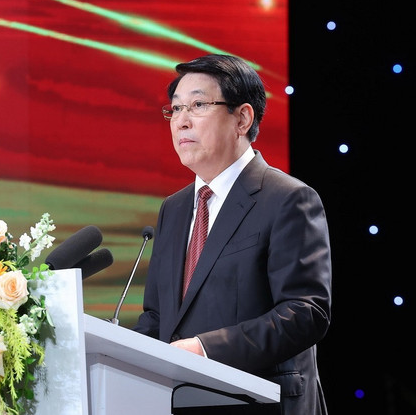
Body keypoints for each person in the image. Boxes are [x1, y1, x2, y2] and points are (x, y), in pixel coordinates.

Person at [132, 54, 332, 414]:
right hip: (182, 403)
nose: (182, 121)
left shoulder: (288, 198)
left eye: (198, 105)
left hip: (261, 402)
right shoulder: (174, 209)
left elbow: (305, 312)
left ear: (242, 119)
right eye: (175, 109)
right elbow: (158, 319)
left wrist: (206, 349)